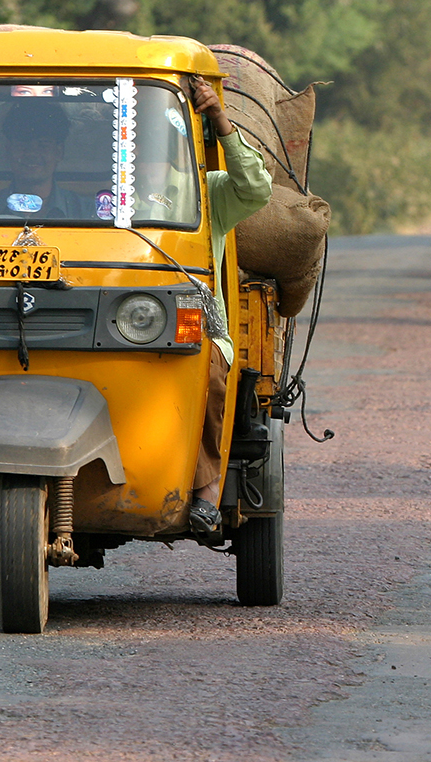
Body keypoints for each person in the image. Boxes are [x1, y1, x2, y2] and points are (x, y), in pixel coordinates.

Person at [185, 80, 272, 537]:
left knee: (210, 371)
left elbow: (256, 187)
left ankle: (205, 490)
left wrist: (219, 118)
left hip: (197, 328)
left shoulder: (206, 191)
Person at [0, 101, 96, 220]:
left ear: (59, 152)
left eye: (43, 144)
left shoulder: (88, 214)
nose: (32, 153)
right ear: (8, 150)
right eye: (23, 143)